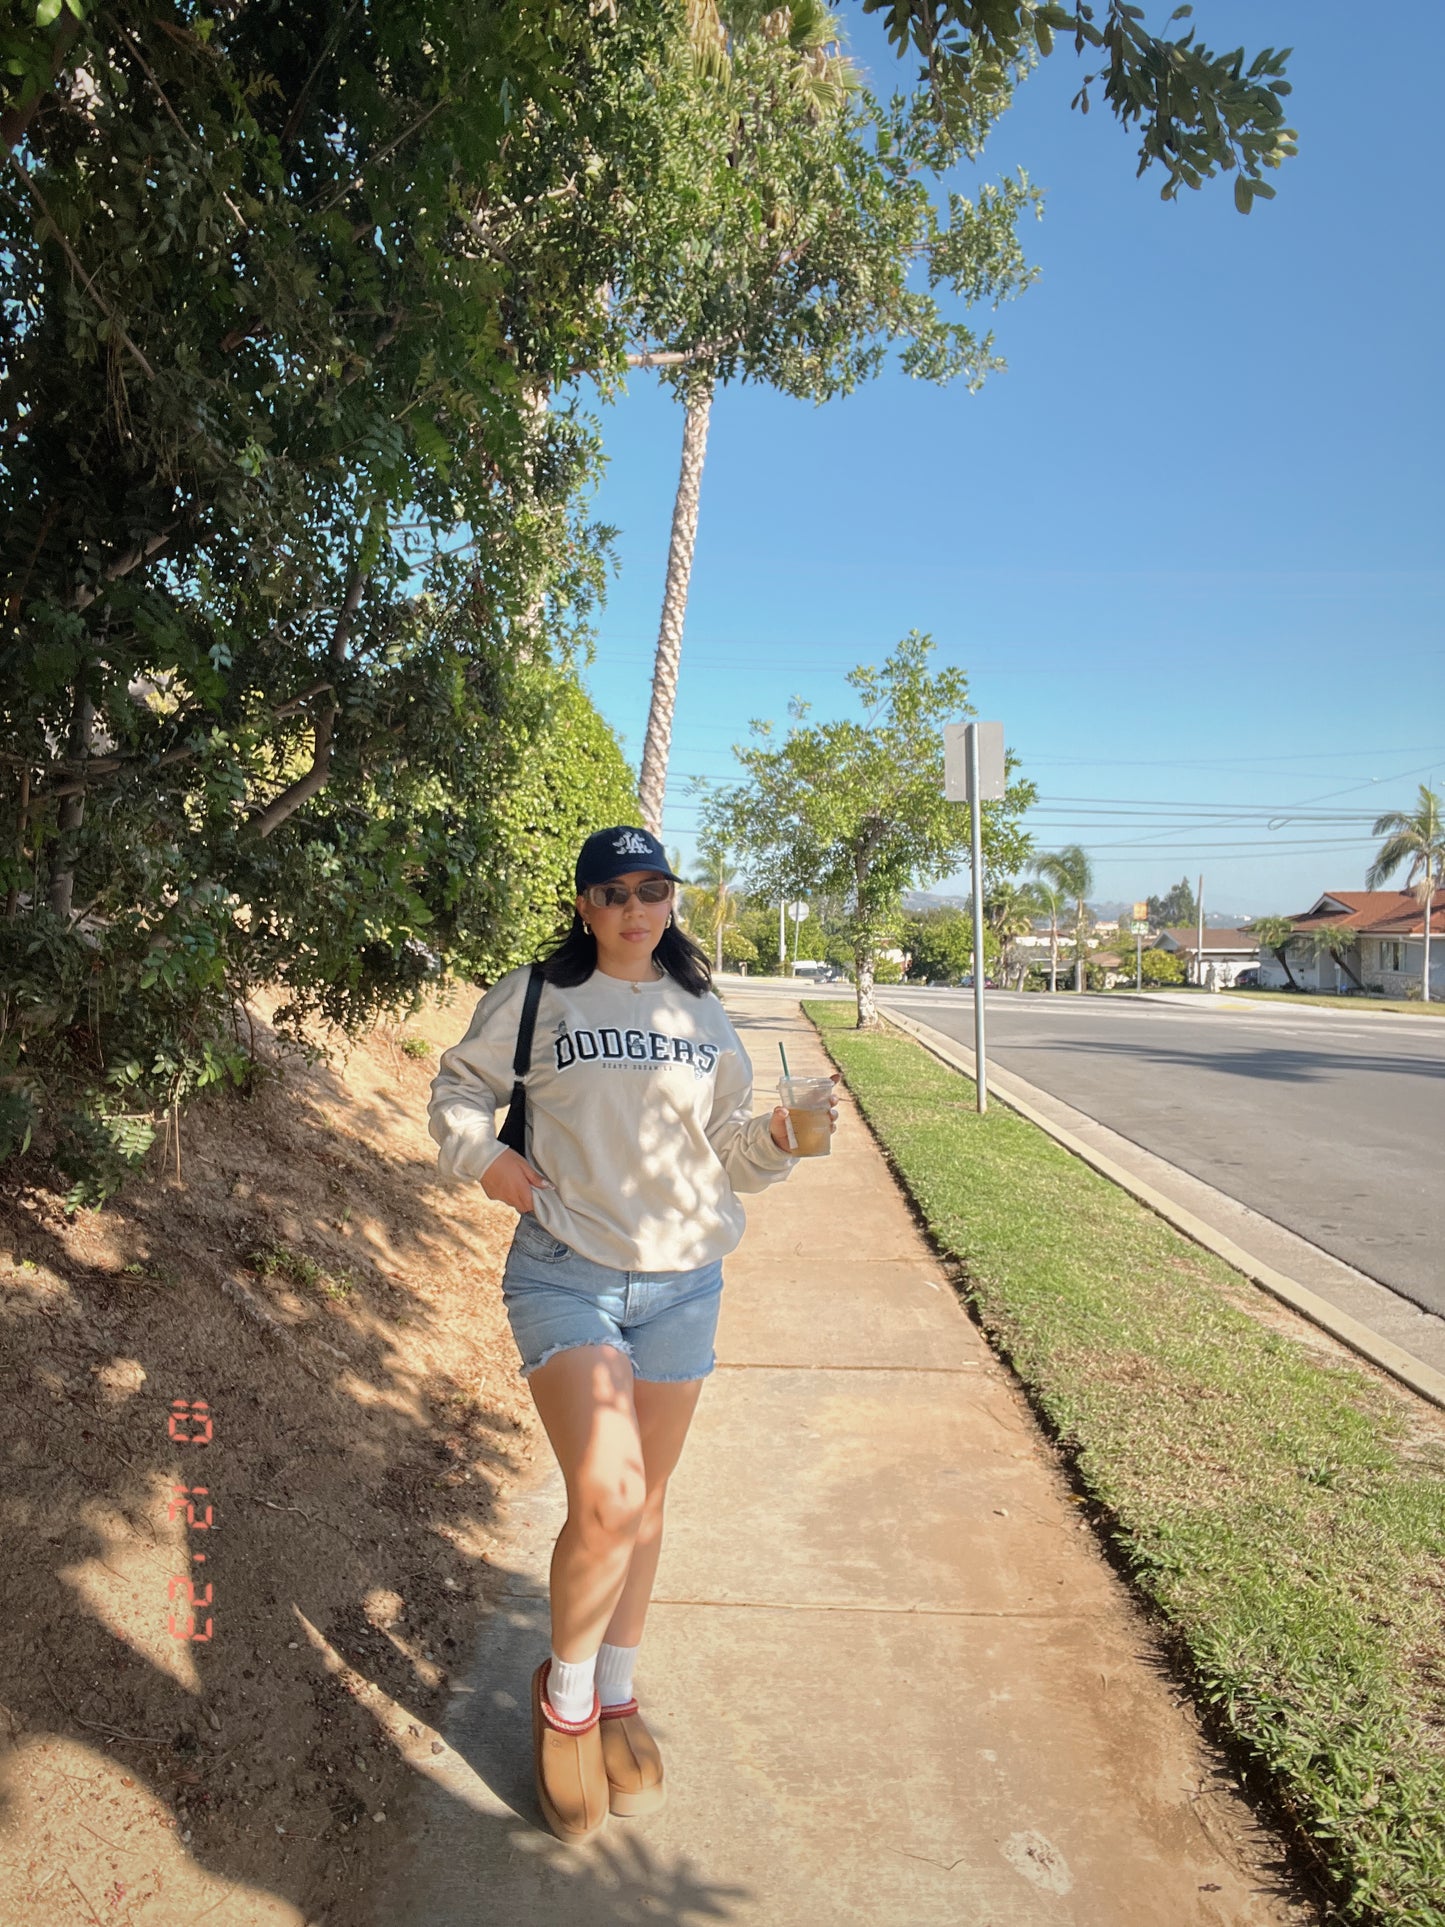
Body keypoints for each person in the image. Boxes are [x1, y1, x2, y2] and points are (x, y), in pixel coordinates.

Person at [427, 825, 836, 1843]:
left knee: (643, 1506)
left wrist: (781, 1140)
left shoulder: (699, 1007)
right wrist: (488, 1162)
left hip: (685, 1284)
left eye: (652, 887)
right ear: (582, 906)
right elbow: (457, 1091)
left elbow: (730, 1145)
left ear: (669, 899)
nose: (635, 907)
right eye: (612, 891)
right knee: (606, 1499)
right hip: (569, 1276)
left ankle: (615, 1691)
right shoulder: (536, 996)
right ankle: (562, 1699)